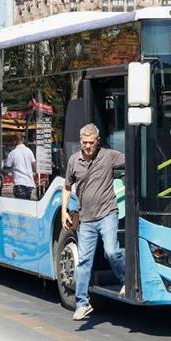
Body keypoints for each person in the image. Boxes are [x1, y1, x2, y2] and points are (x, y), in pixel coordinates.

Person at [61, 124, 126, 321]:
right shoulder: (74, 160)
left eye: (91, 142)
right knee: (83, 262)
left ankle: (126, 280)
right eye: (84, 142)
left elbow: (133, 160)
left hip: (107, 213)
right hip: (86, 220)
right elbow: (66, 187)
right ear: (80, 142)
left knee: (111, 251)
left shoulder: (108, 156)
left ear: (97, 141)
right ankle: (82, 303)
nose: (88, 146)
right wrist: (64, 211)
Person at [4, 133, 37, 200]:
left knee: (21, 206)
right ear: (23, 139)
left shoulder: (13, 153)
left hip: (19, 183)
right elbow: (34, 167)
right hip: (30, 184)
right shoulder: (29, 151)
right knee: (29, 206)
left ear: (14, 141)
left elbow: (7, 166)